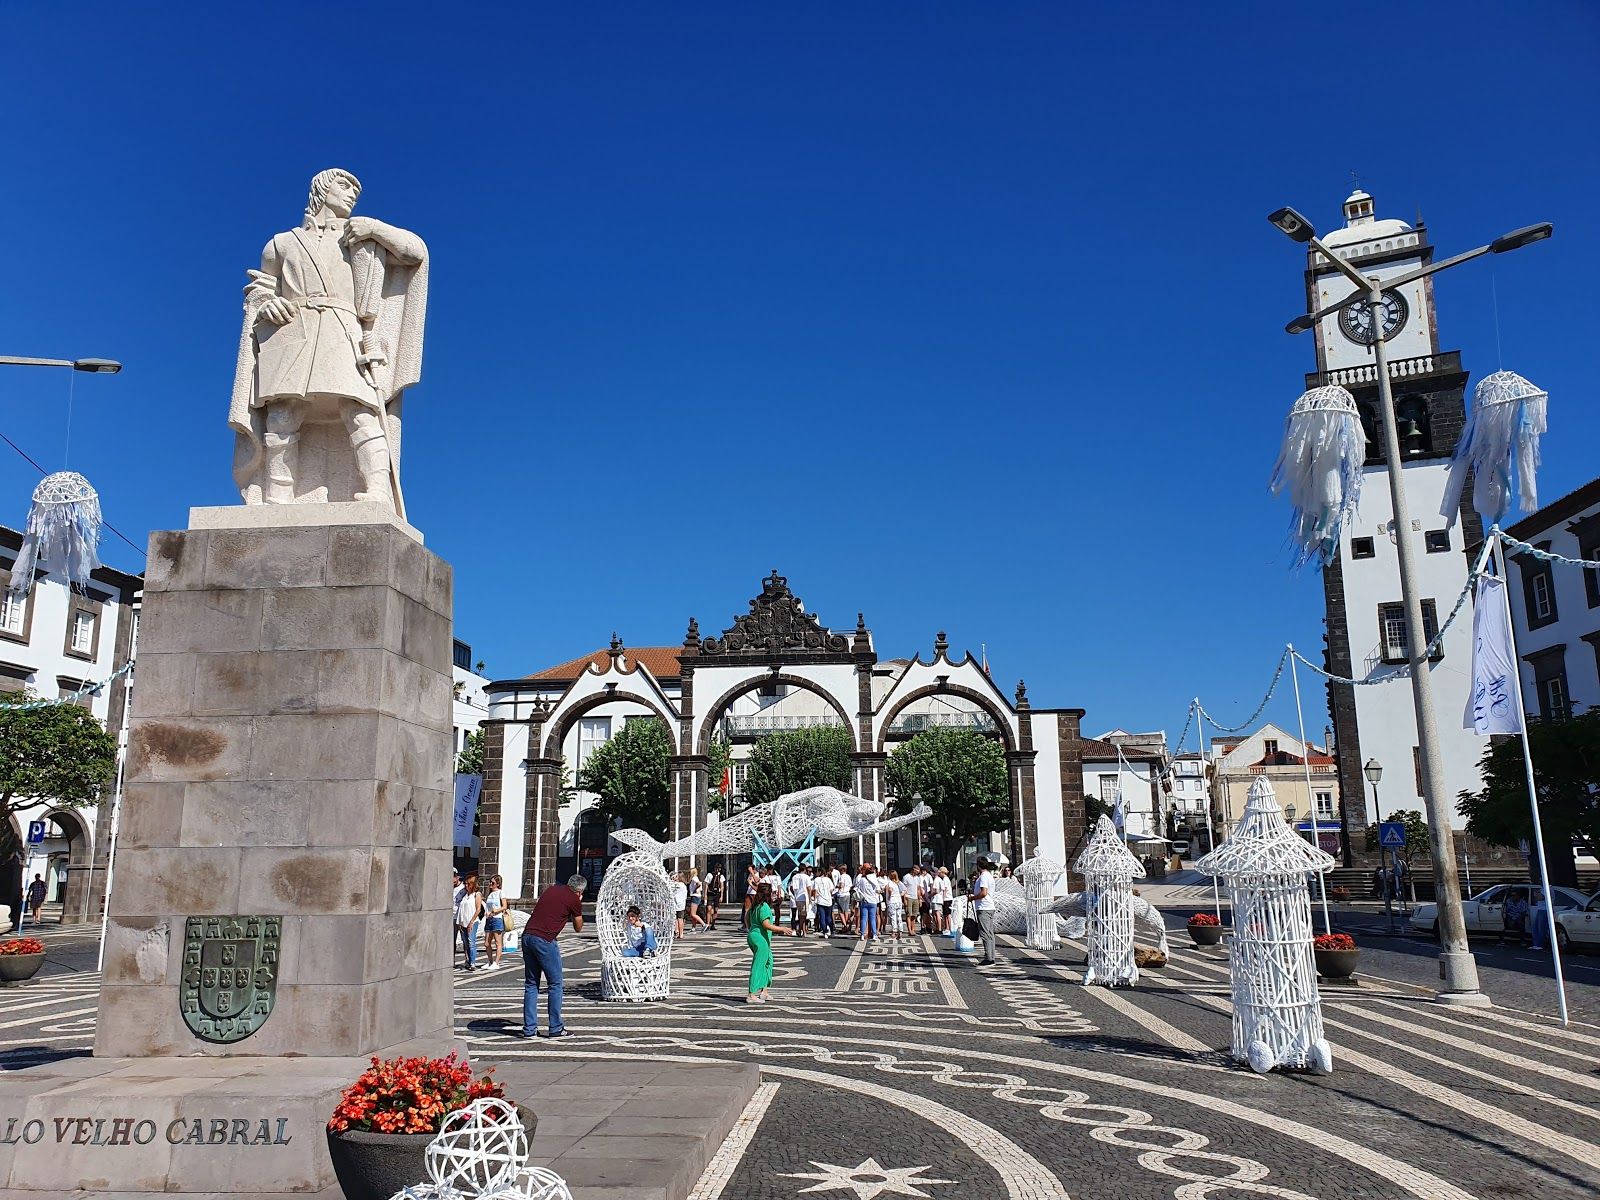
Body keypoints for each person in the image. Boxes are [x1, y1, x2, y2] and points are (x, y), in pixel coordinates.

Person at [521, 873, 587, 1038]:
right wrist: (578, 904)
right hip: (545, 940)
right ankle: (556, 1027)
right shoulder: (573, 899)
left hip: (527, 936)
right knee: (555, 984)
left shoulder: (551, 890)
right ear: (579, 891)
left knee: (531, 984)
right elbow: (578, 927)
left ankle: (529, 1029)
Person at [746, 882, 795, 1003]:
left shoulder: (754, 905)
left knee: (768, 961)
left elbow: (747, 917)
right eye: (772, 893)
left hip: (754, 935)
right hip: (760, 938)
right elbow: (766, 925)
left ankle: (764, 991)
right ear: (767, 894)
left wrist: (751, 929)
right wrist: (782, 929)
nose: (773, 895)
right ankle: (751, 994)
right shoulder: (764, 907)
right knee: (759, 964)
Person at [455, 875, 484, 972]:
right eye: (465, 884)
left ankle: (472, 962)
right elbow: (461, 908)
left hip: (472, 921)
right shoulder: (465, 895)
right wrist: (459, 922)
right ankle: (467, 960)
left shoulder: (477, 894)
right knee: (465, 942)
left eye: (468, 884)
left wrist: (472, 921)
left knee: (471, 941)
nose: (466, 886)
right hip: (463, 921)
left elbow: (478, 909)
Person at [972, 857, 998, 965]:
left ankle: (989, 957)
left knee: (985, 933)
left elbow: (983, 893)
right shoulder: (989, 876)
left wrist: (972, 898)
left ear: (979, 866)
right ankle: (991, 956)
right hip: (989, 906)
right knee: (990, 933)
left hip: (984, 907)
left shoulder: (983, 877)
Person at [483, 874, 507, 968]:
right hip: (489, 919)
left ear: (498, 884)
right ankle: (490, 961)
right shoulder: (490, 894)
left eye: (492, 882)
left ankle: (496, 963)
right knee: (487, 943)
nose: (490, 884)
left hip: (497, 918)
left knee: (498, 942)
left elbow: (504, 906)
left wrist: (495, 911)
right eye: (490, 882)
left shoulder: (501, 893)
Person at [854, 864, 881, 941]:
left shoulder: (862, 879)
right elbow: (878, 890)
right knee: (872, 918)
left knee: (864, 918)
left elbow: (858, 888)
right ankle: (874, 934)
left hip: (864, 901)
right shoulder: (874, 879)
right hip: (873, 901)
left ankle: (862, 934)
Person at [811, 866, 834, 937]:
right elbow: (831, 890)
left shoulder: (816, 880)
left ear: (820, 872)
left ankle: (825, 931)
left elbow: (815, 890)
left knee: (822, 916)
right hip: (828, 900)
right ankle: (831, 929)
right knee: (828, 916)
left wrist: (814, 898)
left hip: (820, 900)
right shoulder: (828, 880)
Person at [789, 868, 812, 935]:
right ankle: (800, 929)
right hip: (804, 897)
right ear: (804, 869)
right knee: (804, 915)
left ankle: (803, 930)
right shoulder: (806, 877)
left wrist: (795, 894)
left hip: (797, 898)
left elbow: (791, 887)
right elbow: (809, 888)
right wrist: (810, 897)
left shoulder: (795, 877)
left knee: (800, 915)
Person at [884, 870, 905, 941]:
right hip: (898, 901)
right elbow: (905, 890)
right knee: (899, 916)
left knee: (893, 917)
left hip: (892, 901)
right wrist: (899, 895)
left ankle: (894, 932)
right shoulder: (899, 882)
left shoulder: (890, 882)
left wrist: (889, 897)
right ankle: (901, 932)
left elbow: (890, 890)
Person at [903, 867, 922, 937]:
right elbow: (904, 889)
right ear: (913, 870)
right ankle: (909, 930)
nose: (918, 871)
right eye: (917, 870)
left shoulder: (917, 878)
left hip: (915, 897)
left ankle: (913, 929)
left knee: (914, 915)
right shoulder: (906, 877)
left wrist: (919, 899)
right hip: (908, 897)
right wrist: (904, 899)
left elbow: (918, 889)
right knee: (909, 914)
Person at [706, 866, 725, 931]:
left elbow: (722, 886)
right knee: (709, 909)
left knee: (716, 910)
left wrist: (722, 896)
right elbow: (706, 885)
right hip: (710, 893)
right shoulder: (710, 875)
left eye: (719, 868)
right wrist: (705, 895)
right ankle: (707, 924)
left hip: (717, 894)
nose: (717, 870)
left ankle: (713, 924)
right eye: (716, 868)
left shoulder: (721, 876)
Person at [672, 873, 689, 939]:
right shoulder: (683, 886)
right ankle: (681, 933)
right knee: (680, 918)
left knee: (676, 918)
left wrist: (673, 880)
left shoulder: (676, 884)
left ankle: (677, 931)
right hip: (681, 903)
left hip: (675, 903)